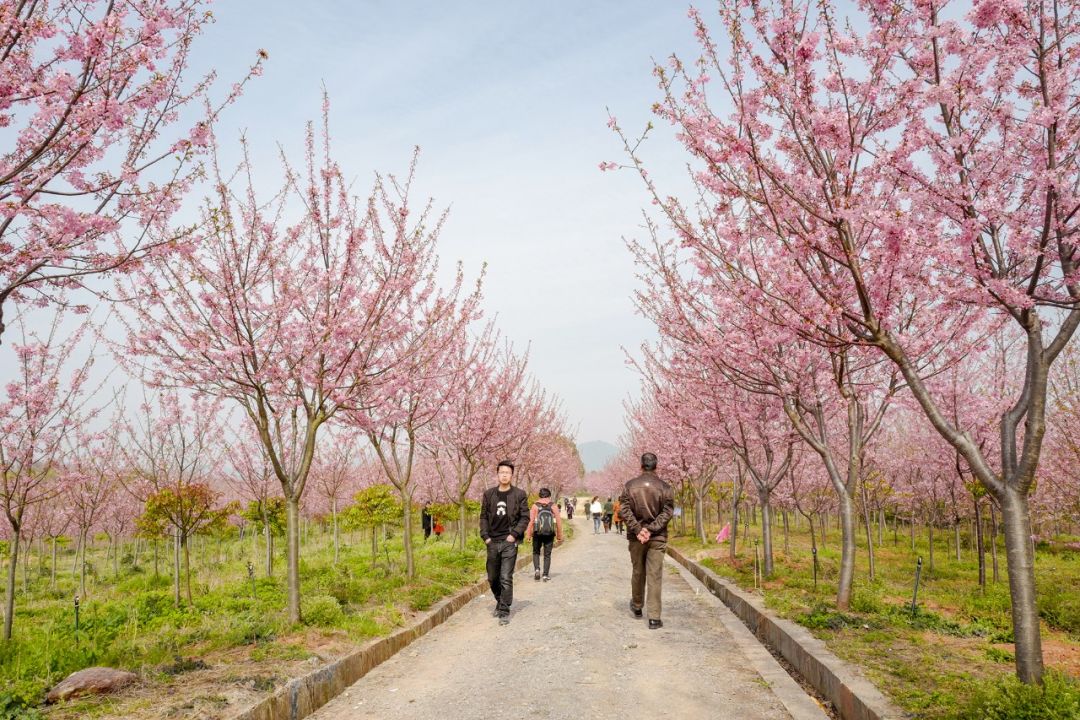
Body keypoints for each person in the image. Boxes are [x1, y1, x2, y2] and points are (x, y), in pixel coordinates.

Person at [619, 452, 675, 629]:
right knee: (654, 575)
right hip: (657, 537)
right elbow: (667, 512)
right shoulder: (665, 487)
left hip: (636, 538)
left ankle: (637, 606)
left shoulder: (630, 486)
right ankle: (654, 618)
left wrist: (639, 529)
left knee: (638, 571)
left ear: (641, 466)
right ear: (656, 466)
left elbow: (624, 510)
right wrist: (651, 529)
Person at [479, 460, 529, 625]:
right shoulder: (489, 494)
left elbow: (525, 517)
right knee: (493, 577)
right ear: (497, 474)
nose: (504, 475)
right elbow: (484, 517)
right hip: (492, 541)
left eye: (507, 472)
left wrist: (514, 534)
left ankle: (504, 611)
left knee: (505, 576)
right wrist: (485, 536)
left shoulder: (519, 494)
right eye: (501, 472)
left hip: (509, 541)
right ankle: (500, 601)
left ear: (512, 475)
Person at [525, 487, 564, 581]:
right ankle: (545, 575)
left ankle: (537, 569)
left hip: (537, 533)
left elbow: (530, 521)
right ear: (549, 496)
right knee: (547, 554)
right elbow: (558, 521)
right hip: (549, 533)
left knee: (536, 552)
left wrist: (528, 534)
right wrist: (559, 535)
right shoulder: (553, 505)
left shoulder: (535, 506)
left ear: (540, 495)